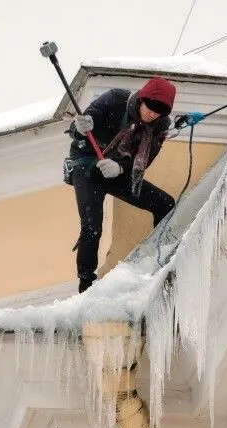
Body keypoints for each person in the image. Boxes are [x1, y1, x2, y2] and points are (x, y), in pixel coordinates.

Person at [67, 77, 177, 293]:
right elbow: (79, 126)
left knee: (165, 203)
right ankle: (86, 285)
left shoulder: (160, 126)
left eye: (158, 112)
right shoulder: (115, 99)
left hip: (118, 171)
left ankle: (161, 258)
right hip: (87, 165)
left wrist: (119, 168)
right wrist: (80, 127)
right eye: (150, 108)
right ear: (141, 100)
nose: (152, 115)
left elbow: (145, 159)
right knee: (92, 227)